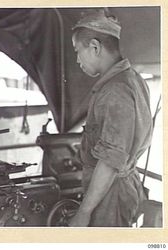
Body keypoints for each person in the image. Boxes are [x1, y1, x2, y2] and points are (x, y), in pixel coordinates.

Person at [69, 10, 153, 227]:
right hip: (115, 188)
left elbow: (110, 159)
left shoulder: (115, 90)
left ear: (95, 47)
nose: (77, 59)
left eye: (78, 51)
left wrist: (84, 212)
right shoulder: (133, 79)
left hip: (110, 196)